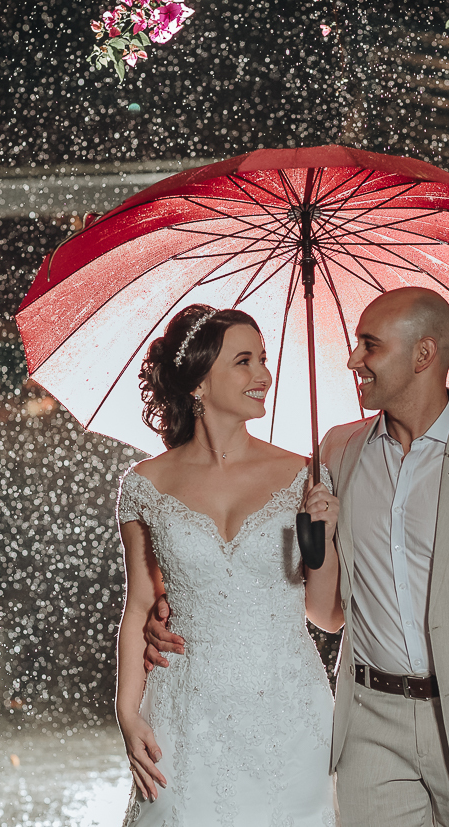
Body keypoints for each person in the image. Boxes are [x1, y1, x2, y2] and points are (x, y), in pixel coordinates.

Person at [145, 288, 449, 826]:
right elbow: (323, 607)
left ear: (423, 355)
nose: (353, 359)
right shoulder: (337, 452)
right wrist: (175, 608)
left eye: (370, 346)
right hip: (369, 725)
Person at [114, 304, 342, 827]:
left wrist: (322, 539)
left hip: (290, 707)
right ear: (198, 381)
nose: (263, 375)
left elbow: (325, 612)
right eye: (244, 361)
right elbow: (139, 608)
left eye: (263, 359)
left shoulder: (303, 476)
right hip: (185, 709)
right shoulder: (145, 484)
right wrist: (128, 713)